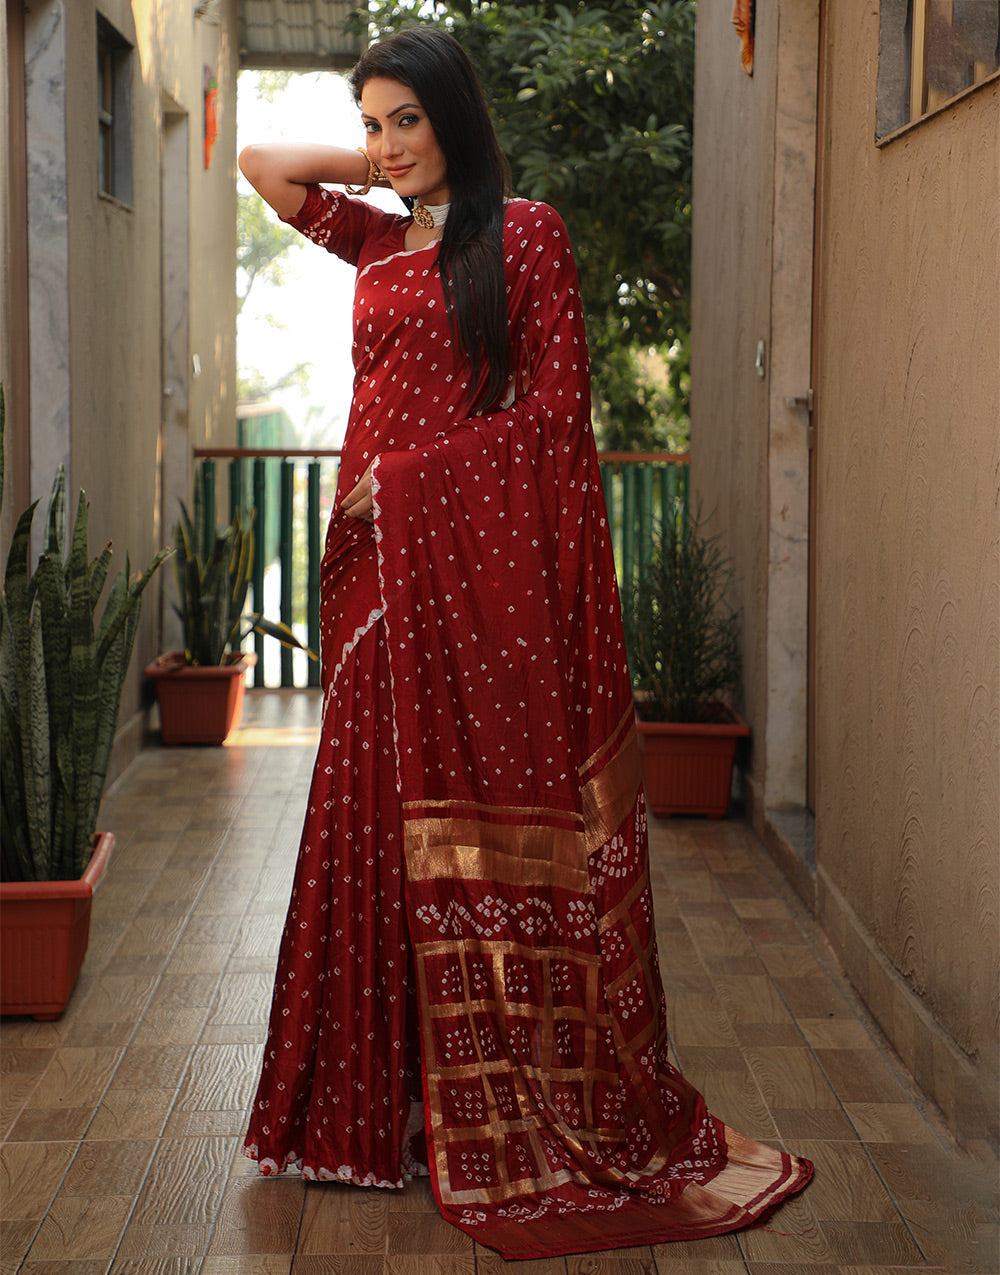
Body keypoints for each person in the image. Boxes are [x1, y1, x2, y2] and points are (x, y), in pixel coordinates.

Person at [239, 26, 812, 1262]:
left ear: (456, 112)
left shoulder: (527, 234)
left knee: (451, 829)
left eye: (408, 118)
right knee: (365, 820)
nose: (386, 145)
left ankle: (498, 1103)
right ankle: (363, 1112)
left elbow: (555, 419)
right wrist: (387, 159)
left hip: (453, 576)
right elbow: (260, 160)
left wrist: (408, 481)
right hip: (374, 587)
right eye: (374, 122)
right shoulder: (377, 236)